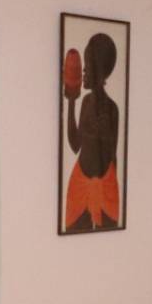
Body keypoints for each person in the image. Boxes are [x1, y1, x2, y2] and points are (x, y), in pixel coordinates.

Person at [63, 33, 121, 232]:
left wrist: (108, 190)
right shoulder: (86, 103)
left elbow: (113, 157)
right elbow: (75, 145)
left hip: (106, 188)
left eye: (87, 65)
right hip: (79, 184)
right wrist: (71, 100)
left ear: (99, 70)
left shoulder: (112, 109)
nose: (84, 71)